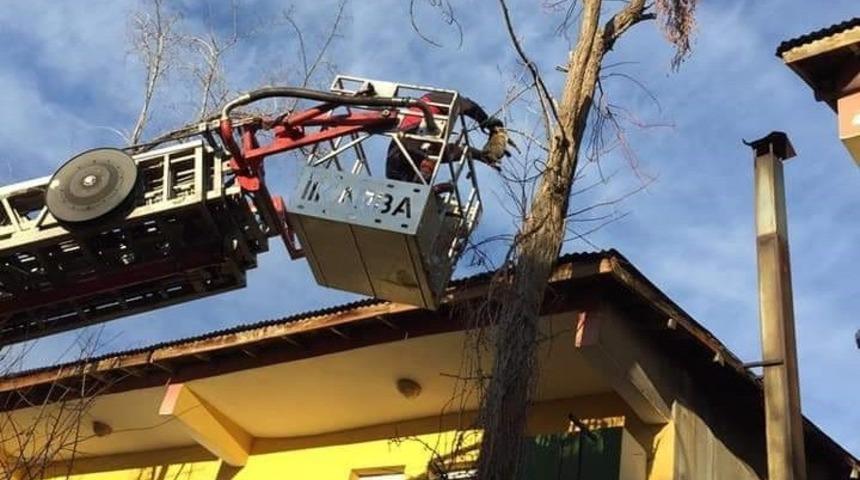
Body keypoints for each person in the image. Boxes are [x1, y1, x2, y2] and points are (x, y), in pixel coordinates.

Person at [385, 91, 507, 186]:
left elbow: (453, 152)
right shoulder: (433, 101)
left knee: (418, 185)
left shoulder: (429, 146)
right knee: (416, 184)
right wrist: (486, 121)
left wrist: (480, 156)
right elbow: (464, 105)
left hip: (407, 153)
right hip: (408, 140)